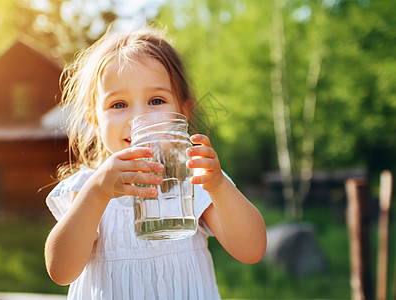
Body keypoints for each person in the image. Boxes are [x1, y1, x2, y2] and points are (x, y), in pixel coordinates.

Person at [44, 25, 267, 300]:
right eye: (118, 105)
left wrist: (219, 186)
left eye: (156, 100)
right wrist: (97, 193)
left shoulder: (195, 181)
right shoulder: (87, 188)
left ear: (184, 112)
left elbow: (252, 250)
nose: (140, 120)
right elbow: (60, 271)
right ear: (94, 120)